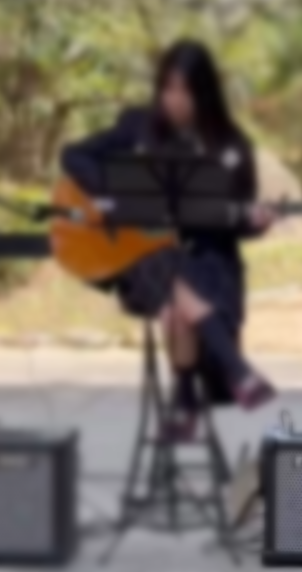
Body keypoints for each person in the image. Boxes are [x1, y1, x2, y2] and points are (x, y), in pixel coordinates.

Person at [60, 40, 277, 439]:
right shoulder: (137, 126)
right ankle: (236, 370)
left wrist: (256, 223)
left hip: (210, 264)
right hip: (141, 262)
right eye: (168, 88)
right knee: (165, 265)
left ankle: (184, 400)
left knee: (177, 303)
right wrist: (112, 194)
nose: (174, 99)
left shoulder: (232, 145)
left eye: (185, 91)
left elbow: (235, 219)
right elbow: (73, 155)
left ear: (205, 93)